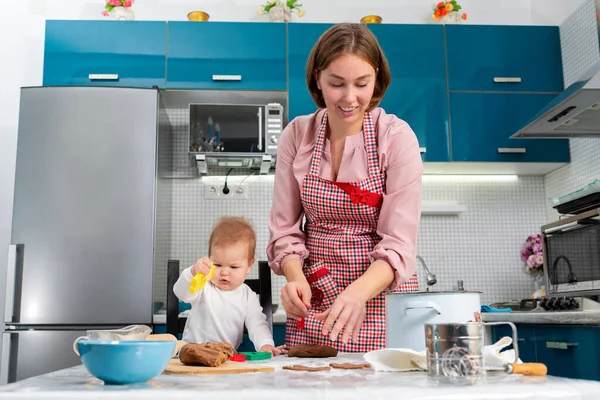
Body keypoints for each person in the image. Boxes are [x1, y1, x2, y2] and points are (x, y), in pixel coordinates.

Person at [267, 22, 423, 353]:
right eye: (337, 84)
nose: (350, 98)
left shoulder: (395, 138)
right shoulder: (296, 136)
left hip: (382, 299)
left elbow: (399, 242)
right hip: (316, 299)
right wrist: (295, 279)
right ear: (317, 81)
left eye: (362, 83)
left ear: (377, 80)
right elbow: (285, 231)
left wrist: (357, 293)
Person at [174, 216, 282, 355]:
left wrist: (265, 344)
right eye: (217, 265)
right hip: (192, 353)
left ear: (249, 266)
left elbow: (257, 323)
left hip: (225, 357)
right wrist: (192, 272)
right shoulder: (204, 285)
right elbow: (180, 292)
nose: (224, 272)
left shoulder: (247, 295)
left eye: (234, 267)